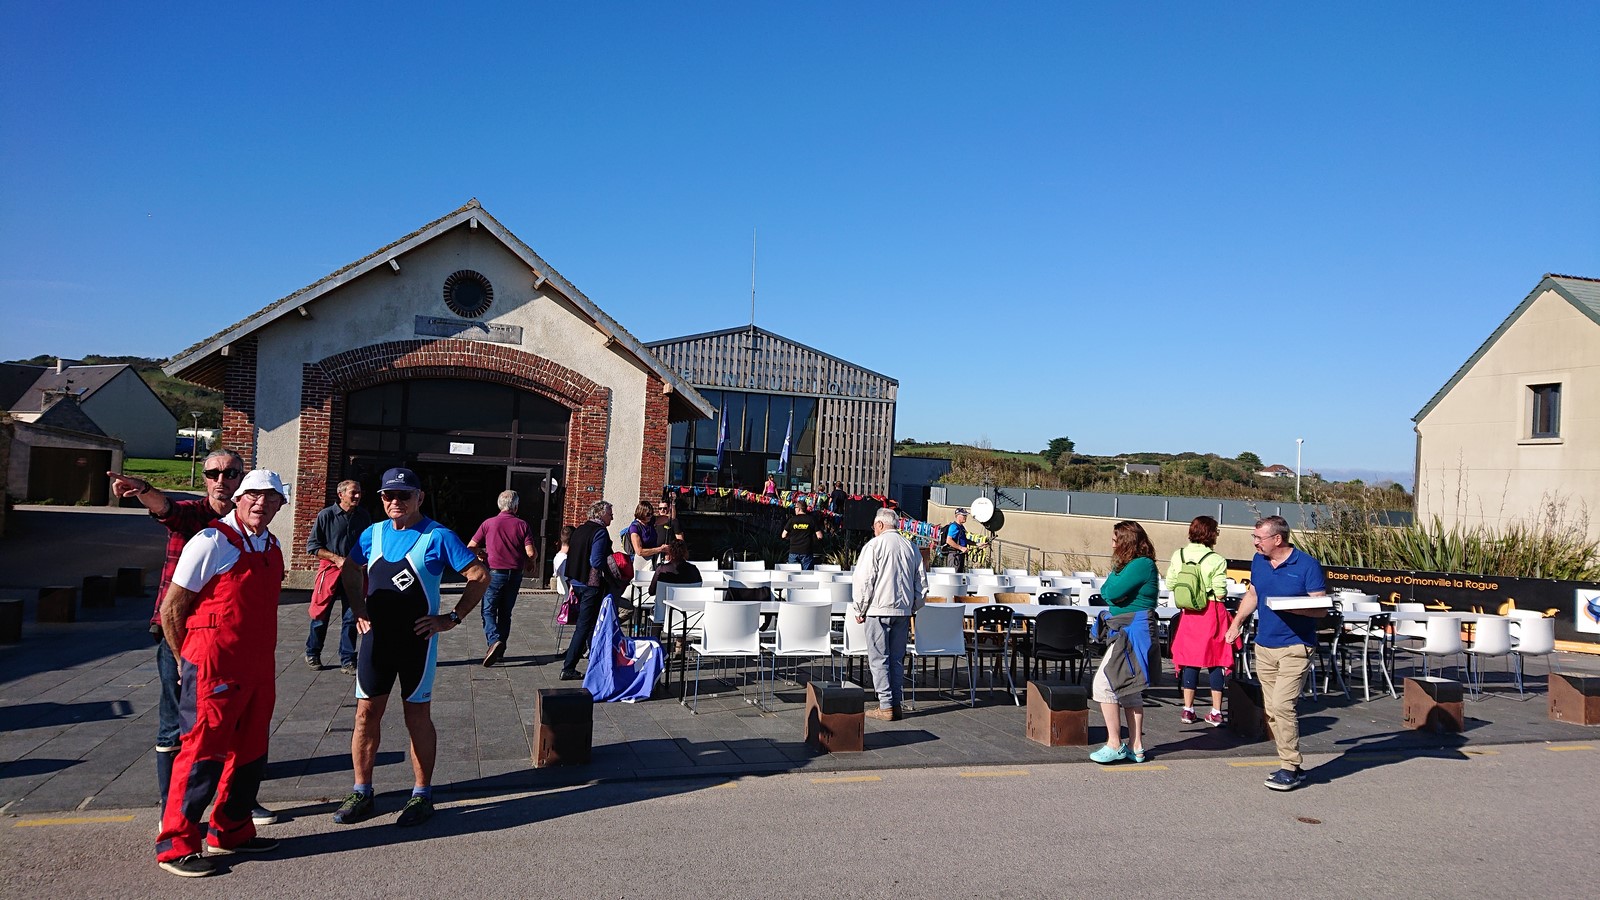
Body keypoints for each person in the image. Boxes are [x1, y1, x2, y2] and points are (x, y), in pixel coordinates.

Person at [107, 451, 274, 827]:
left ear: (241, 480)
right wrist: (143, 489)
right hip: (180, 636)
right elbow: (166, 509)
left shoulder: (252, 530)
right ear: (205, 478)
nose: (221, 480)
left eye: (230, 473)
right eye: (213, 473)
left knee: (237, 724)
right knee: (178, 724)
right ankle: (173, 813)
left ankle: (236, 805)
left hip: (228, 644)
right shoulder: (196, 518)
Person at [333, 467, 490, 828]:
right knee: (365, 715)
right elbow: (351, 568)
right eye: (388, 495)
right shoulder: (372, 533)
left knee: (416, 716)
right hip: (376, 642)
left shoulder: (438, 536)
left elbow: (480, 576)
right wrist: (358, 609)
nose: (395, 502)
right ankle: (361, 791)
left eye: (404, 495)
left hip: (417, 644)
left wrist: (451, 618)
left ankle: (421, 795)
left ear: (419, 497)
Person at [154, 470, 290, 877]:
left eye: (270, 498)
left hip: (257, 666)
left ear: (280, 505)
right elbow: (172, 608)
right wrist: (183, 659)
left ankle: (231, 830)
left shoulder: (271, 544)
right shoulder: (212, 541)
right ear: (239, 498)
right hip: (213, 665)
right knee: (201, 752)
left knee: (250, 753)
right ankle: (176, 845)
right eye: (253, 496)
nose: (261, 504)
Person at [1225, 515, 1328, 792]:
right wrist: (1236, 623)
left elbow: (1320, 608)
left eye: (1259, 538)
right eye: (1254, 537)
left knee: (1283, 706)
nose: (1255, 542)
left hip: (1296, 646)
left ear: (1277, 539)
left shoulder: (1307, 565)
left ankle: (1290, 767)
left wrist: (1290, 607)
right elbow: (1253, 594)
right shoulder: (1259, 561)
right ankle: (1291, 765)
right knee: (1272, 709)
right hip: (1264, 646)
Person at [1088, 520, 1161, 765]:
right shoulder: (1132, 565)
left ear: (1125, 542)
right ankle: (1136, 746)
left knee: (1104, 685)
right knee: (1129, 687)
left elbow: (1111, 592)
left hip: (1132, 630)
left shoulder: (1141, 565)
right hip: (1129, 627)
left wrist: (1114, 592)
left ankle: (1114, 743)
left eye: (1115, 540)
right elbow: (1108, 591)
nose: (1112, 545)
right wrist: (1114, 588)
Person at [851, 507, 928, 721]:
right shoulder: (910, 546)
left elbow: (864, 580)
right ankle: (895, 703)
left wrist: (860, 608)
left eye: (874, 526)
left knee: (879, 658)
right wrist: (913, 606)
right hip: (903, 611)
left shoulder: (874, 545)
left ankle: (885, 706)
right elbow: (921, 582)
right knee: (896, 659)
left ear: (879, 524)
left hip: (878, 609)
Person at [1167, 515, 1234, 727]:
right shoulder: (1217, 560)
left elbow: (1170, 584)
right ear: (1212, 534)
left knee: (1191, 659)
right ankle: (1216, 711)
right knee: (1216, 660)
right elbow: (1220, 593)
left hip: (1189, 613)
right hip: (1211, 612)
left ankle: (1188, 710)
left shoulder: (1179, 555)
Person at [305, 479, 371, 675]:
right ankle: (313, 652)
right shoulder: (326, 515)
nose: (357, 496)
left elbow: (369, 544)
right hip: (330, 572)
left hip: (355, 573)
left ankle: (348, 659)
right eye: (353, 492)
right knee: (321, 615)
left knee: (352, 616)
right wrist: (336, 558)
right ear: (341, 494)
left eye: (359, 492)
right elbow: (313, 546)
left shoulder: (363, 517)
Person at [468, 491, 536, 667]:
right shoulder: (522, 525)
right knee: (505, 613)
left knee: (488, 611)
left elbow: (471, 547)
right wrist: (531, 561)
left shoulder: (488, 523)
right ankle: (500, 650)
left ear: (499, 505)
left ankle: (493, 641)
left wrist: (481, 554)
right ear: (516, 507)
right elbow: (530, 552)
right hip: (515, 574)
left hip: (494, 573)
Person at [559, 500, 625, 681]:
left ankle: (596, 660)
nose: (612, 517)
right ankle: (569, 667)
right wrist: (611, 573)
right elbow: (596, 561)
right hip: (590, 584)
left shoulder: (580, 529)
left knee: (590, 624)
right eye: (610, 513)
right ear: (601, 514)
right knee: (584, 626)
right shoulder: (600, 532)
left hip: (577, 581)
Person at [619, 501, 664, 572]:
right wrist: (660, 549)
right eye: (648, 514)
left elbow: (670, 518)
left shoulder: (650, 521)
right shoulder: (635, 527)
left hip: (653, 559)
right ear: (641, 513)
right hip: (641, 562)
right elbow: (639, 551)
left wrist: (673, 504)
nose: (650, 516)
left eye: (652, 513)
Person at [781, 497, 821, 569]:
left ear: (799, 509)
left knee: (793, 573)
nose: (795, 509)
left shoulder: (792, 520)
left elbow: (783, 535)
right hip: (807, 551)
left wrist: (790, 538)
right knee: (807, 574)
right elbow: (820, 536)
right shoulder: (811, 520)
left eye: (795, 508)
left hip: (794, 551)